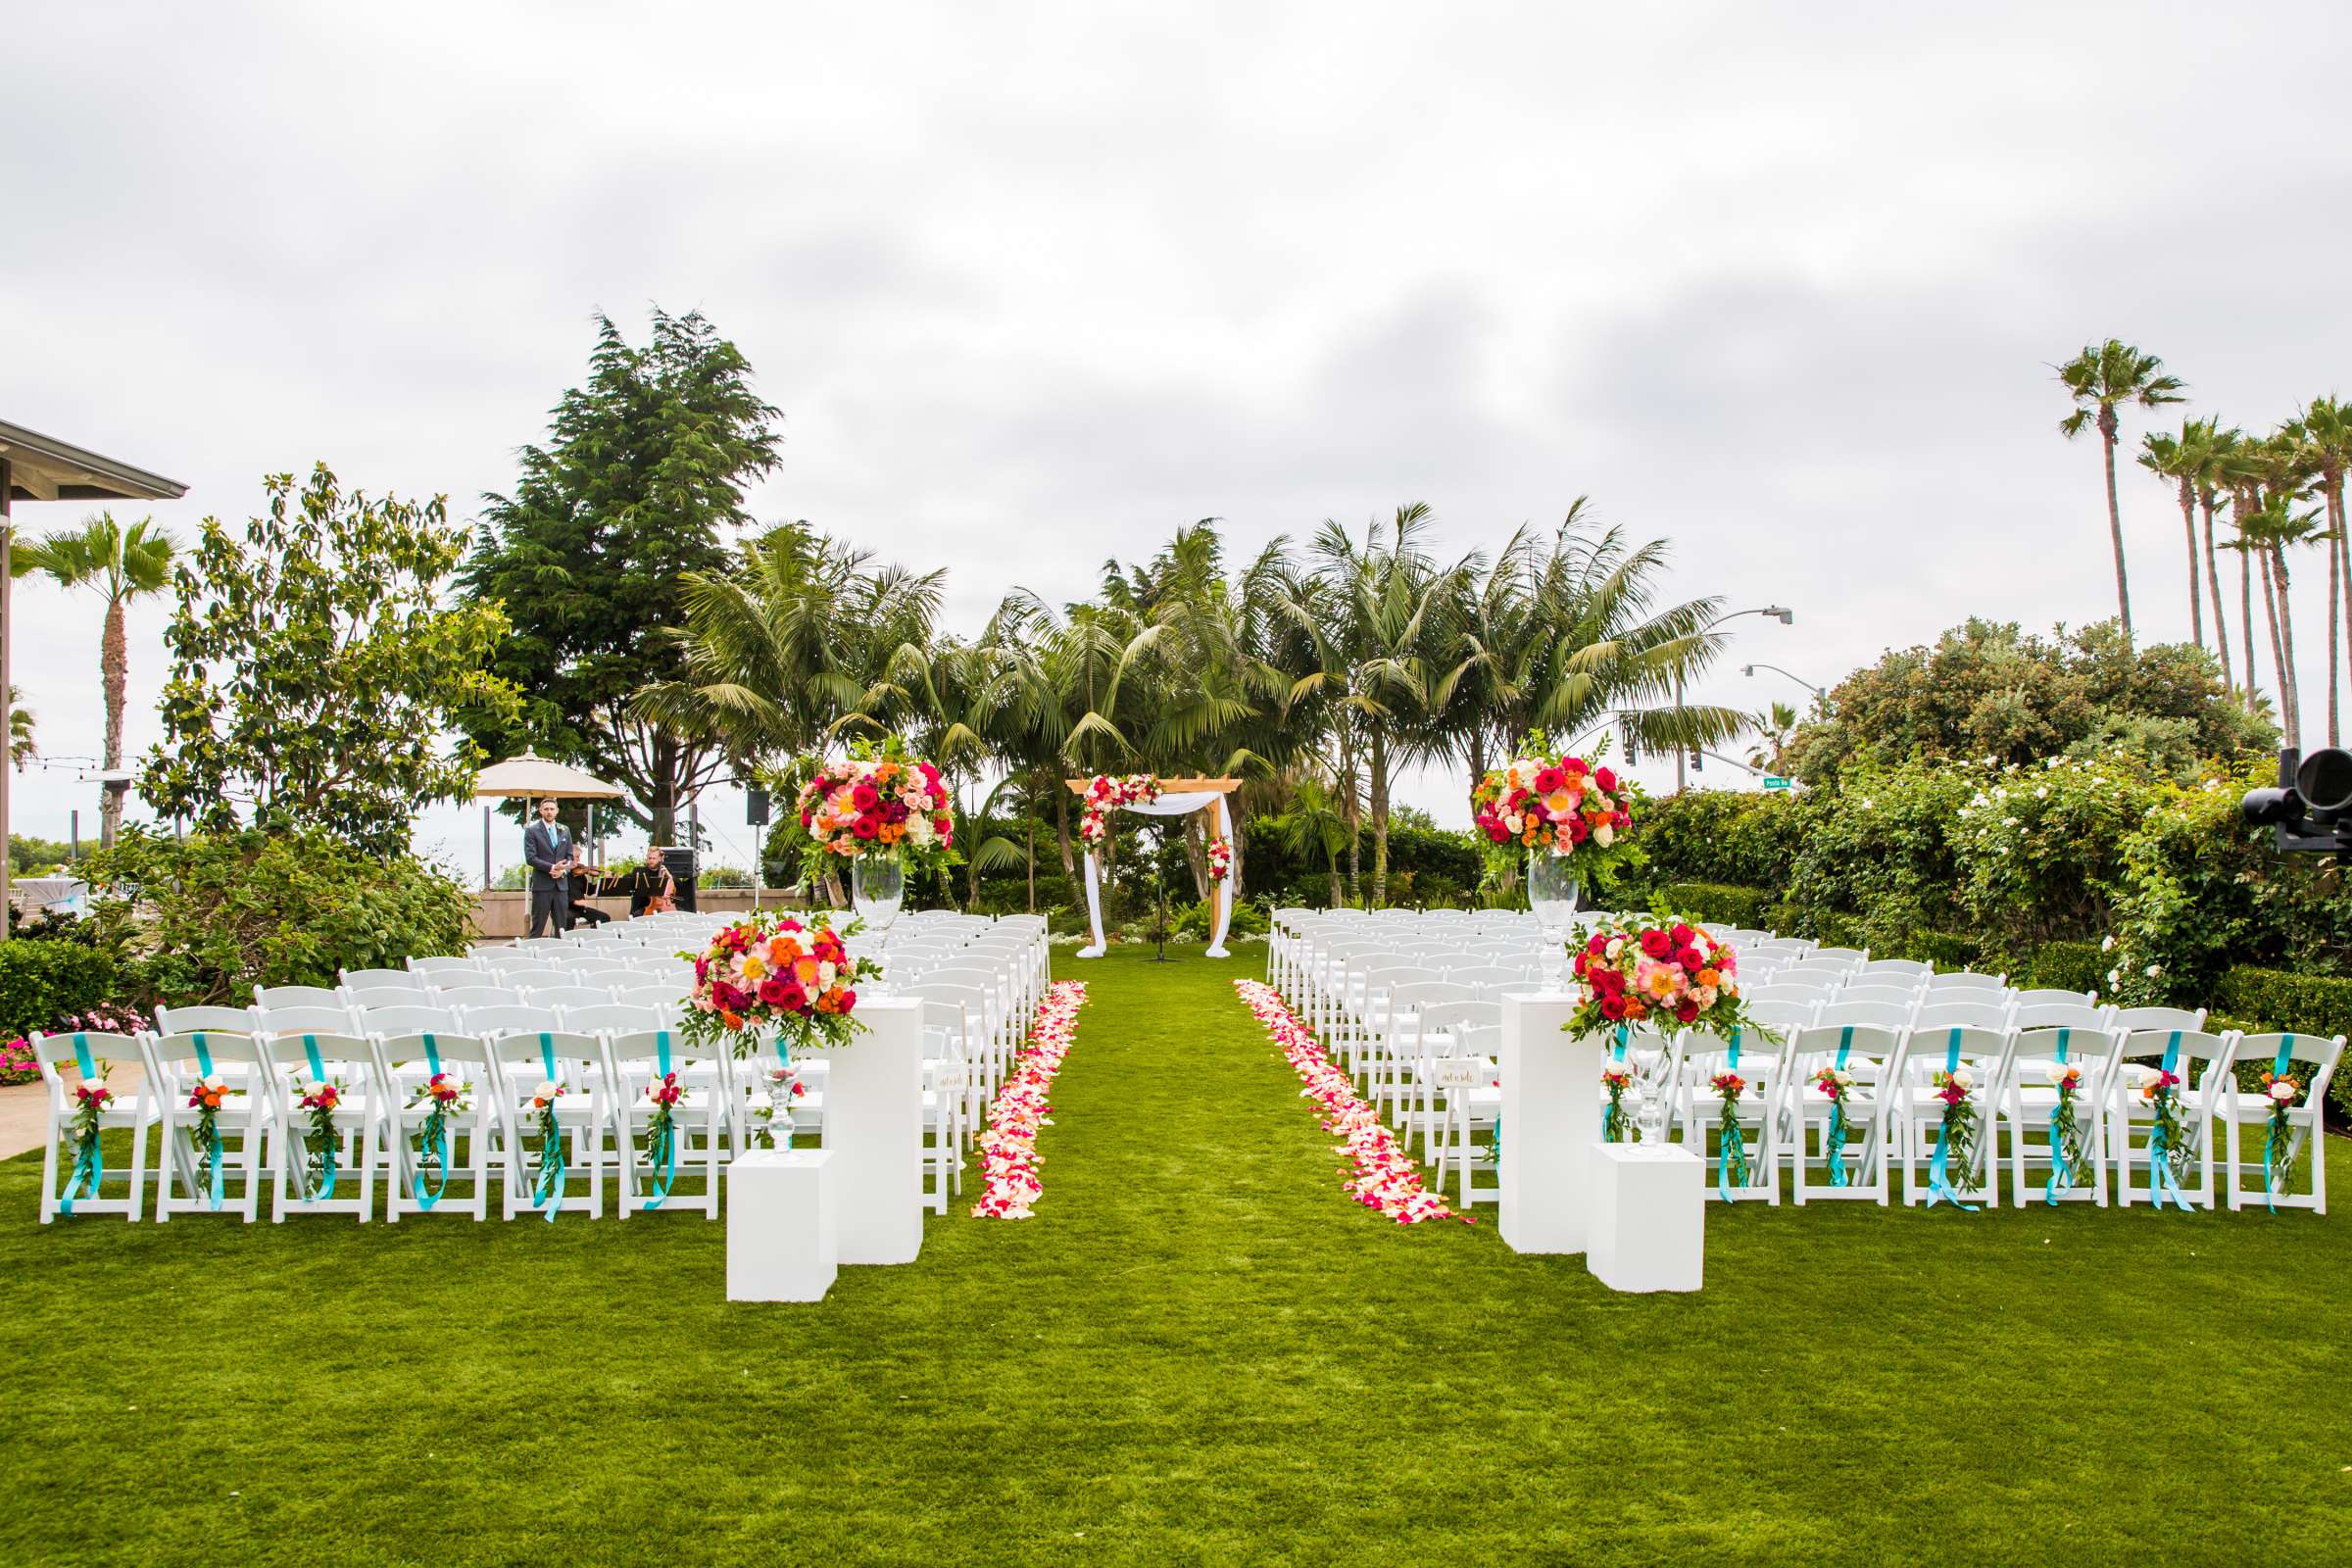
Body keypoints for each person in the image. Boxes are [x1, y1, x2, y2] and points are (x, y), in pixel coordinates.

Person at [523, 798, 575, 939]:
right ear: (540, 811)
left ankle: (559, 957)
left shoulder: (565, 830)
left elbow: (571, 858)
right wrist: (552, 867)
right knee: (538, 928)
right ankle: (533, 957)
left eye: (552, 809)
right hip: (542, 887)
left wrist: (563, 871)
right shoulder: (532, 831)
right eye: (546, 809)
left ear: (557, 811)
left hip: (561, 887)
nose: (549, 812)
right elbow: (531, 858)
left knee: (561, 928)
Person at [626, 848, 679, 917]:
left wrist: (670, 876)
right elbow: (628, 882)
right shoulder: (639, 871)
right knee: (638, 915)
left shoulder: (665, 871)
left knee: (679, 914)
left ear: (660, 859)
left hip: (665, 905)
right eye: (649, 858)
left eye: (654, 858)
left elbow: (680, 885)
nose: (651, 861)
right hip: (643, 906)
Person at [564, 863, 612, 929]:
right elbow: (560, 895)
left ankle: (594, 937)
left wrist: (603, 880)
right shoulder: (564, 876)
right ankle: (566, 938)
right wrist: (574, 901)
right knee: (569, 918)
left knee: (604, 917)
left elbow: (590, 891)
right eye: (577, 857)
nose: (584, 869)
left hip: (581, 910)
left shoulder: (581, 877)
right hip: (568, 909)